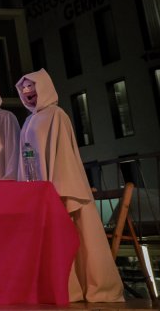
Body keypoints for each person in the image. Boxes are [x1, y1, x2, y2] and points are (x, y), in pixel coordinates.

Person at [16, 69, 123, 303]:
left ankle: (77, 288)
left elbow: (63, 155)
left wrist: (60, 188)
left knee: (73, 238)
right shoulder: (28, 121)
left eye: (32, 88)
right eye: (24, 90)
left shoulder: (57, 115)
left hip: (59, 186)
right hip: (40, 191)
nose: (28, 93)